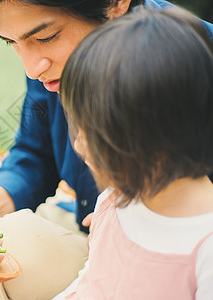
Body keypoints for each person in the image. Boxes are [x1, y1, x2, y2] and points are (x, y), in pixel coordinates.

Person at [0, 0, 213, 298]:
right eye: (12, 42)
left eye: (46, 37)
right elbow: (35, 151)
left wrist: (136, 219)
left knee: (15, 241)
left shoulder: (195, 62)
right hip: (87, 220)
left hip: (156, 260)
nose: (33, 69)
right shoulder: (49, 66)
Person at [54, 6, 213, 299]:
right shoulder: (115, 201)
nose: (79, 145)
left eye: (93, 131)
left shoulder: (205, 246)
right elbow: (88, 283)